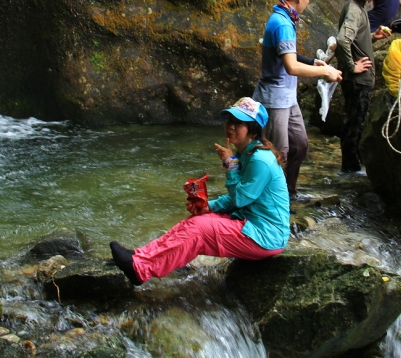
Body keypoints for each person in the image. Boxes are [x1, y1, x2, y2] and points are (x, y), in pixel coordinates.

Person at [109, 97, 290, 286]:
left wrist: (231, 165)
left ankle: (139, 269)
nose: (231, 127)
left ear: (253, 129)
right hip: (250, 222)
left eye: (239, 123)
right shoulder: (248, 154)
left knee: (199, 231)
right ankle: (141, 255)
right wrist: (208, 207)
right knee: (193, 222)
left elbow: (241, 199)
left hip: (265, 235)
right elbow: (241, 197)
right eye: (230, 121)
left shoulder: (260, 160)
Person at [252, 0, 343, 198]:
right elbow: (291, 67)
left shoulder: (286, 17)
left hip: (287, 96)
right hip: (275, 99)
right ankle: (269, 200)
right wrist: (325, 71)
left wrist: (313, 62)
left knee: (300, 145)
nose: (309, 2)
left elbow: (287, 54)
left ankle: (289, 193)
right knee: (277, 153)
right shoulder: (282, 22)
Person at [336, 0, 391, 173]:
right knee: (355, 122)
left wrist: (372, 37)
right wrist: (352, 66)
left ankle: (352, 165)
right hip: (358, 78)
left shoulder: (359, 9)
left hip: (358, 78)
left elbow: (354, 38)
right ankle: (350, 168)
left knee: (355, 120)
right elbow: (342, 40)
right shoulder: (353, 10)